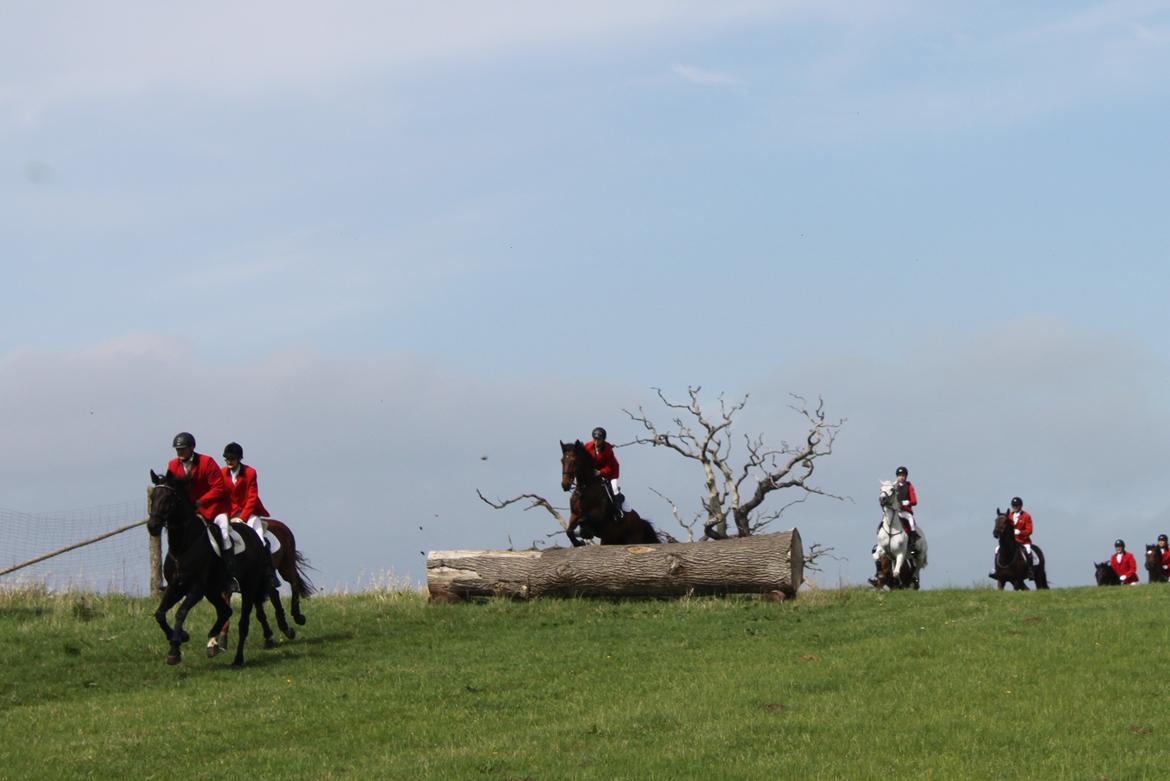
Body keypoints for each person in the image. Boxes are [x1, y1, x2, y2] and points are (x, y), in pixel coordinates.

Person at [166, 432, 239, 592]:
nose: (180, 453)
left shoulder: (207, 462)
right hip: (190, 513)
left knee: (225, 535)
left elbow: (218, 487)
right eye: (178, 450)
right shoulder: (172, 465)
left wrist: (200, 501)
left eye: (183, 449)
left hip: (213, 509)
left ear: (192, 448)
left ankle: (230, 577)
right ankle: (174, 575)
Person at [222, 442, 280, 590]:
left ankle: (269, 574)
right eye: (227, 459)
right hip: (230, 515)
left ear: (239, 459)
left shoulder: (250, 472)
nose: (229, 461)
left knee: (260, 539)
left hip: (249, 513)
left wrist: (243, 517)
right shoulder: (222, 473)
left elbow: (252, 497)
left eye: (232, 459)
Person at [583, 427, 630, 516]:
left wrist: (600, 472)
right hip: (594, 473)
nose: (596, 441)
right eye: (595, 439)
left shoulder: (608, 449)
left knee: (615, 490)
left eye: (598, 439)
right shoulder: (588, 446)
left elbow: (611, 466)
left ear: (603, 439)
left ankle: (619, 510)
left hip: (611, 472)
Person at [1005, 497, 1036, 575]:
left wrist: (1020, 532)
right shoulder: (1009, 515)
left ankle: (1030, 570)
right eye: (1013, 505)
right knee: (997, 549)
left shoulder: (1026, 516)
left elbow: (1029, 530)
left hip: (1023, 541)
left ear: (1020, 506)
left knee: (1028, 550)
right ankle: (997, 570)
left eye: (1016, 505)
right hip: (1011, 542)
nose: (1015, 507)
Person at [894, 466, 921, 551]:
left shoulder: (909, 486)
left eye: (903, 475)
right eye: (899, 475)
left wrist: (907, 502)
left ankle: (912, 542)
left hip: (905, 511)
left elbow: (914, 501)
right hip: (896, 511)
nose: (901, 477)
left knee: (911, 521)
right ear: (897, 476)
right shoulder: (894, 486)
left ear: (906, 477)